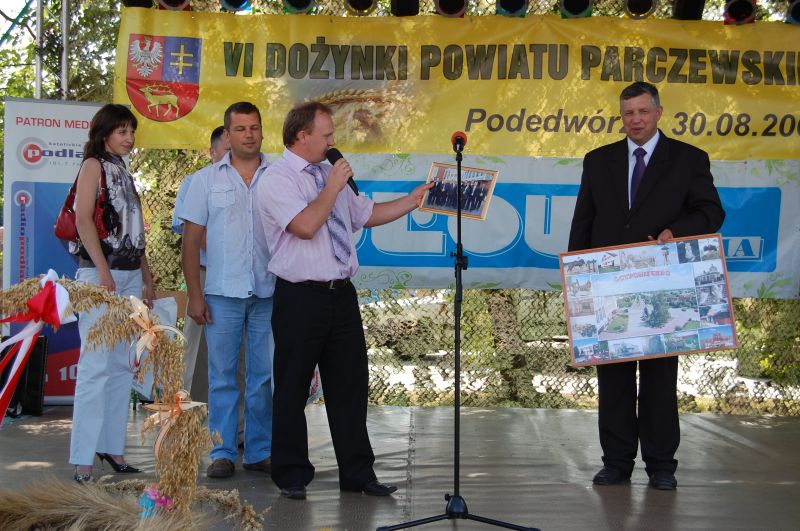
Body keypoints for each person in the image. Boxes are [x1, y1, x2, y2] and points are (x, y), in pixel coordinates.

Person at [257, 101, 432, 500]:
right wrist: (332, 187)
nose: (333, 142)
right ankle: (291, 473)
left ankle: (357, 473)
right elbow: (305, 226)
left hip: (341, 294)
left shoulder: (326, 174)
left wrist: (413, 200)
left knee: (350, 385)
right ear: (302, 136)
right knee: (292, 386)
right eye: (326, 135)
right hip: (300, 296)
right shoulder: (277, 179)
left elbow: (364, 215)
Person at [568, 81, 725, 490]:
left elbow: (711, 212)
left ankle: (661, 466)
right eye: (628, 113)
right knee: (613, 380)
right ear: (621, 117)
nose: (635, 120)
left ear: (658, 112)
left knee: (659, 380)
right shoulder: (598, 160)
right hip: (608, 286)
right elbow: (584, 220)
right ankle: (616, 463)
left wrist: (677, 231)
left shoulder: (689, 159)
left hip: (663, 285)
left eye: (642, 111)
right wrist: (577, 282)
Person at [180, 102, 275, 479]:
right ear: (227, 135)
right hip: (221, 294)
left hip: (268, 292)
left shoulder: (277, 176)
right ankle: (221, 451)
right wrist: (195, 295)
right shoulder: (205, 180)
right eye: (240, 129)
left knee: (262, 377)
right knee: (221, 377)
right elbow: (190, 244)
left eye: (254, 127)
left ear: (262, 131)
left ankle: (259, 450)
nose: (249, 134)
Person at [69, 104, 154, 483]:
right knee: (95, 366)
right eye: (122, 131)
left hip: (130, 276)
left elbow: (135, 232)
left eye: (131, 131)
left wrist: (146, 278)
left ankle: (112, 448)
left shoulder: (124, 171)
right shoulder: (93, 166)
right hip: (100, 276)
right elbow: (82, 219)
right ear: (104, 134)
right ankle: (82, 460)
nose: (129, 138)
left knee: (121, 365)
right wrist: (103, 272)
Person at [171, 125, 229, 402]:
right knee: (196, 342)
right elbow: (191, 231)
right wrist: (226, 257)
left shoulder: (252, 180)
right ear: (212, 152)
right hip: (206, 273)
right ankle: (190, 409)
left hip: (243, 277)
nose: (232, 156)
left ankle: (238, 415)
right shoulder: (196, 181)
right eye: (226, 150)